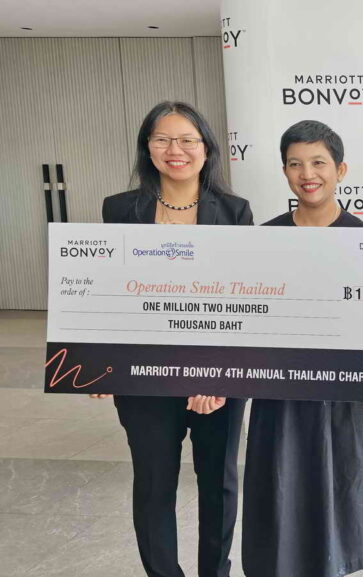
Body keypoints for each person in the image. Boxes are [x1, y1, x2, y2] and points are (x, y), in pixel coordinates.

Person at [241, 120, 363, 577]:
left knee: (343, 504)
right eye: (295, 164)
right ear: (284, 172)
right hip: (281, 394)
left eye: (318, 163)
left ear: (340, 170)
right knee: (283, 496)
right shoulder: (262, 240)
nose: (307, 174)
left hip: (347, 396)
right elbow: (248, 320)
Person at [99, 101, 252, 577]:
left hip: (217, 380)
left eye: (187, 140)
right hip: (144, 377)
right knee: (153, 484)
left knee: (218, 485)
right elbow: (106, 291)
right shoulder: (120, 209)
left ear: (206, 149)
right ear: (147, 148)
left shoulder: (235, 211)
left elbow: (244, 301)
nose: (176, 150)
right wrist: (96, 362)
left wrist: (217, 376)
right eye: (163, 139)